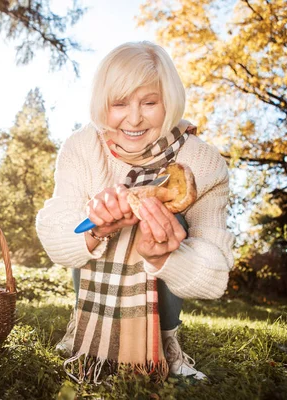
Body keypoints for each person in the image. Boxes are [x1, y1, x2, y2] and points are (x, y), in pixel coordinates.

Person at [35, 42, 233, 383]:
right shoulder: (83, 146)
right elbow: (55, 233)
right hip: (94, 280)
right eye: (120, 103)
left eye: (150, 102)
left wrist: (166, 256)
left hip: (163, 280)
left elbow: (215, 277)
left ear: (167, 102)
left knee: (172, 219)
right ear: (102, 105)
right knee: (94, 216)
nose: (135, 118)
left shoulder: (204, 162)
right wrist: (94, 228)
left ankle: (166, 342)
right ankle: (83, 332)